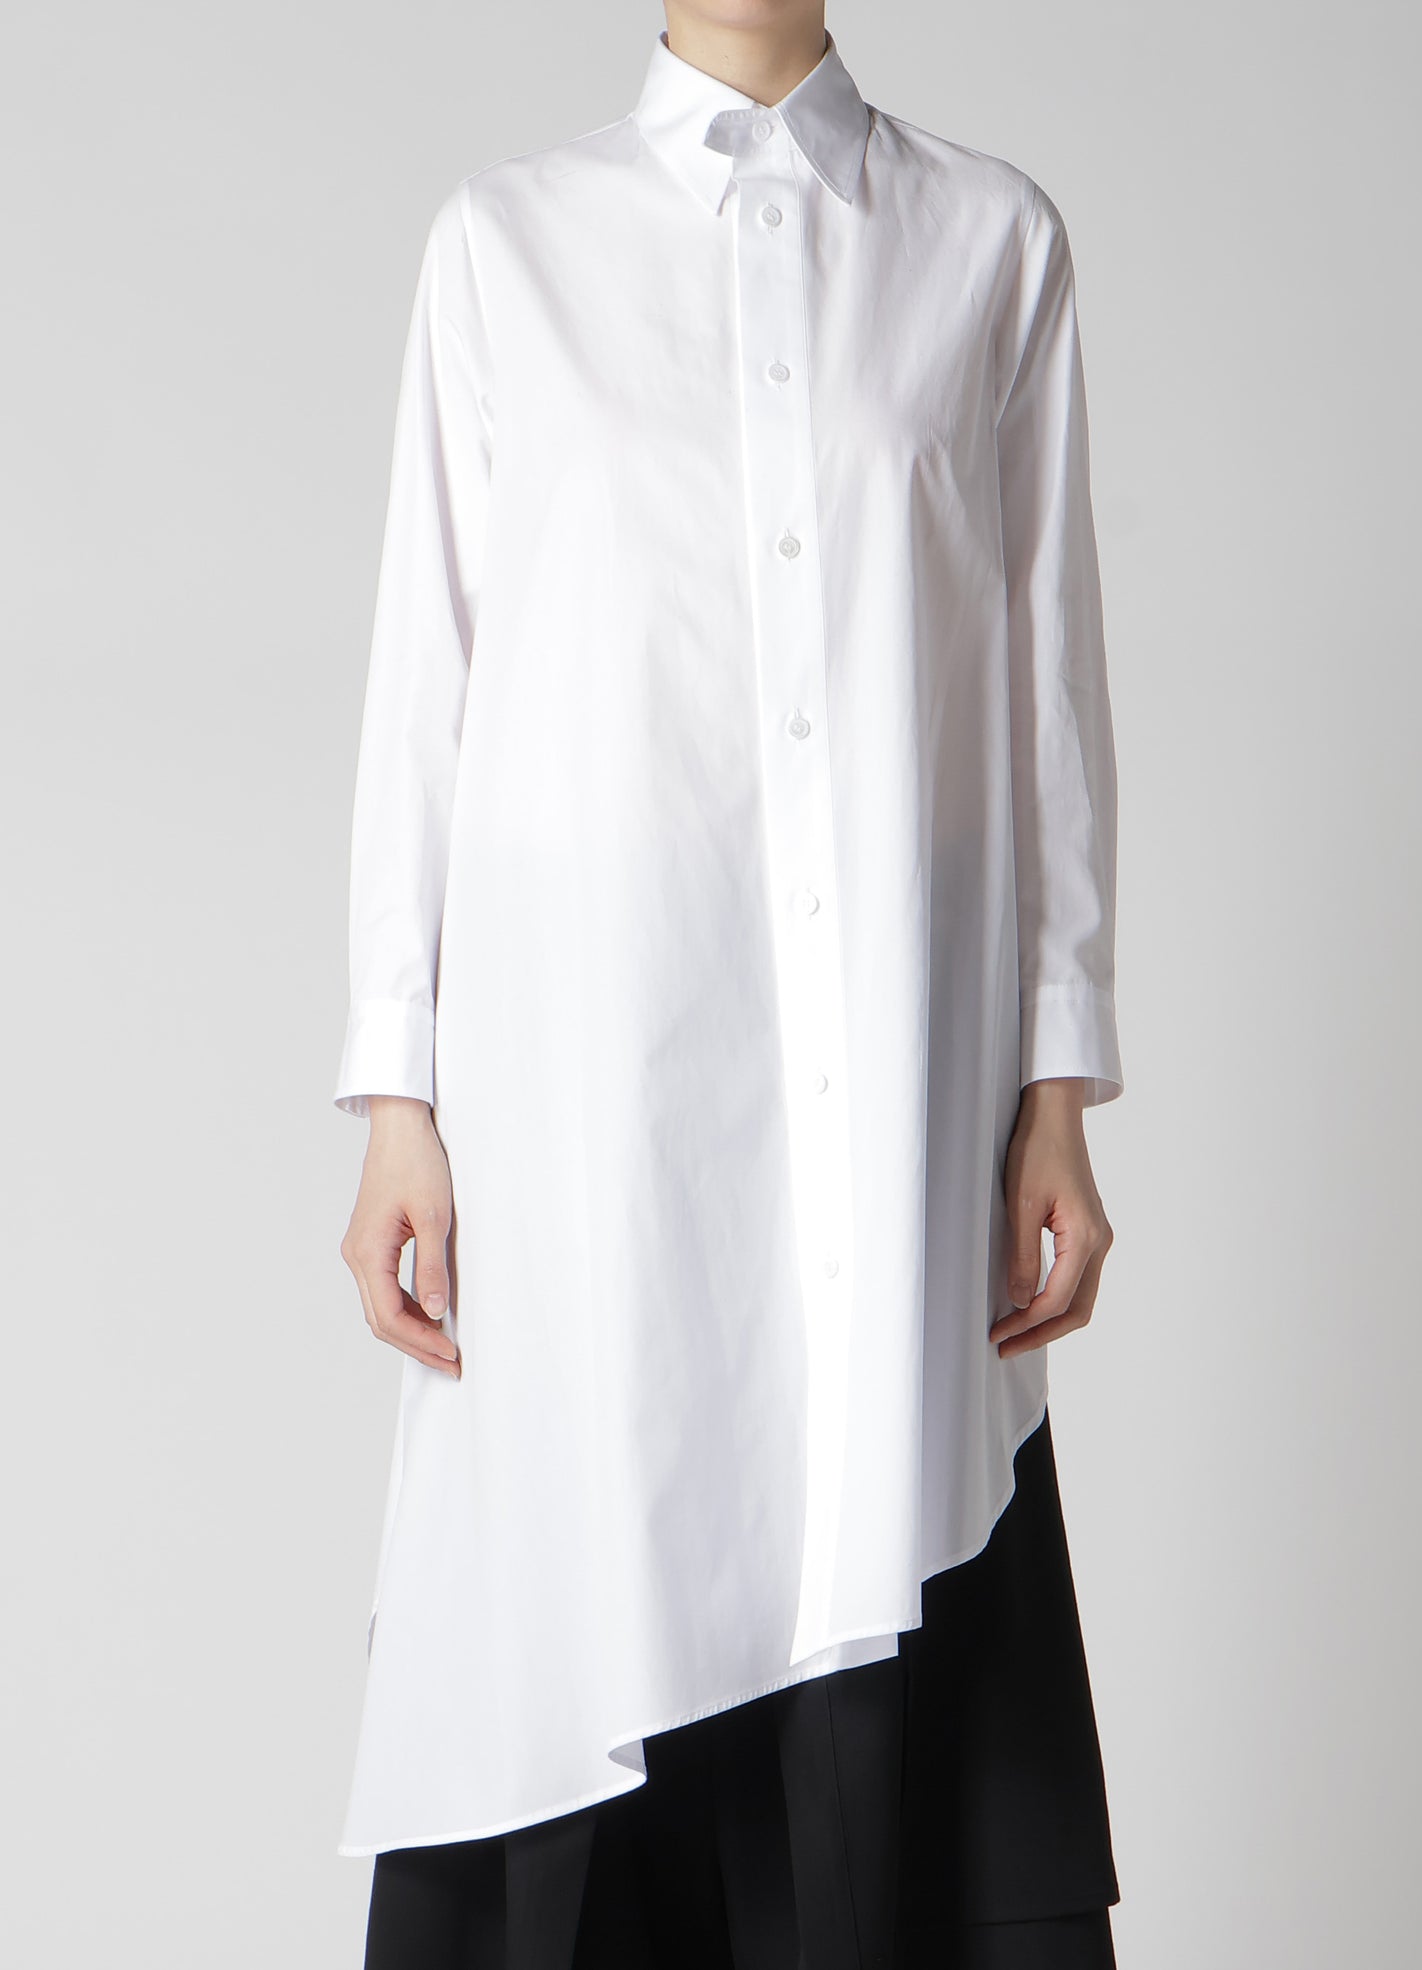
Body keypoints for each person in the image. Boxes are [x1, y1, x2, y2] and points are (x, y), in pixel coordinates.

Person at [334, 4, 1126, 1964]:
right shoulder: (506, 244)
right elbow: (425, 687)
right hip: (590, 1086)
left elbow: (1044, 690)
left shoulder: (991, 243)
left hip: (895, 1081)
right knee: (595, 1569)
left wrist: (1057, 1079)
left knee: (879, 1556)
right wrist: (396, 1093)